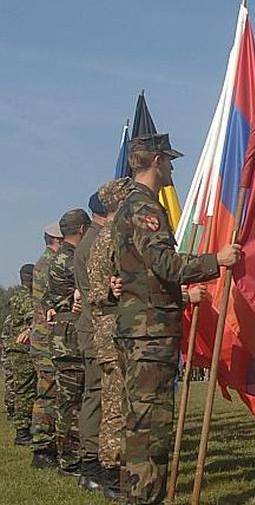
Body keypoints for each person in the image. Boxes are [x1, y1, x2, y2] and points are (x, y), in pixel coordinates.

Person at [111, 133, 240, 504]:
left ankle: (134, 495)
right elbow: (165, 264)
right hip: (148, 332)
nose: (171, 168)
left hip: (138, 328)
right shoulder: (144, 208)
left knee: (137, 422)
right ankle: (144, 497)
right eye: (168, 161)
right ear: (155, 161)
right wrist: (217, 260)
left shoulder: (127, 206)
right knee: (151, 427)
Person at [88, 178, 133, 498]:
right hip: (112, 333)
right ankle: (112, 474)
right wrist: (111, 290)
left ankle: (117, 471)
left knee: (118, 403)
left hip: (116, 331)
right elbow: (95, 291)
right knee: (115, 405)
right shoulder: (108, 239)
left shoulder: (111, 236)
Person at [45, 208, 91, 476]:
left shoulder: (60, 257)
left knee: (68, 401)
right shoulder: (72, 260)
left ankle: (69, 457)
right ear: (83, 230)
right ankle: (71, 460)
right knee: (73, 403)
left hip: (64, 336)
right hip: (72, 338)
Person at [73, 191, 107, 491]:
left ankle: (92, 463)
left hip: (93, 328)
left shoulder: (91, 241)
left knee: (96, 395)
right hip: (98, 330)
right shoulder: (96, 243)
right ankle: (92, 464)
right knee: (96, 396)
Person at [30, 223, 63, 469]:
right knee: (47, 393)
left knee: (50, 391)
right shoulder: (50, 264)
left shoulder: (44, 263)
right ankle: (42, 448)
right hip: (47, 338)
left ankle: (48, 445)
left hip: (44, 337)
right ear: (57, 241)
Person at [6, 264, 37, 446]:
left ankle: (25, 429)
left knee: (24, 390)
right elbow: (33, 319)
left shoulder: (17, 295)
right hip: (22, 351)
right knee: (25, 391)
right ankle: (22, 433)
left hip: (18, 350)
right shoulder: (26, 296)